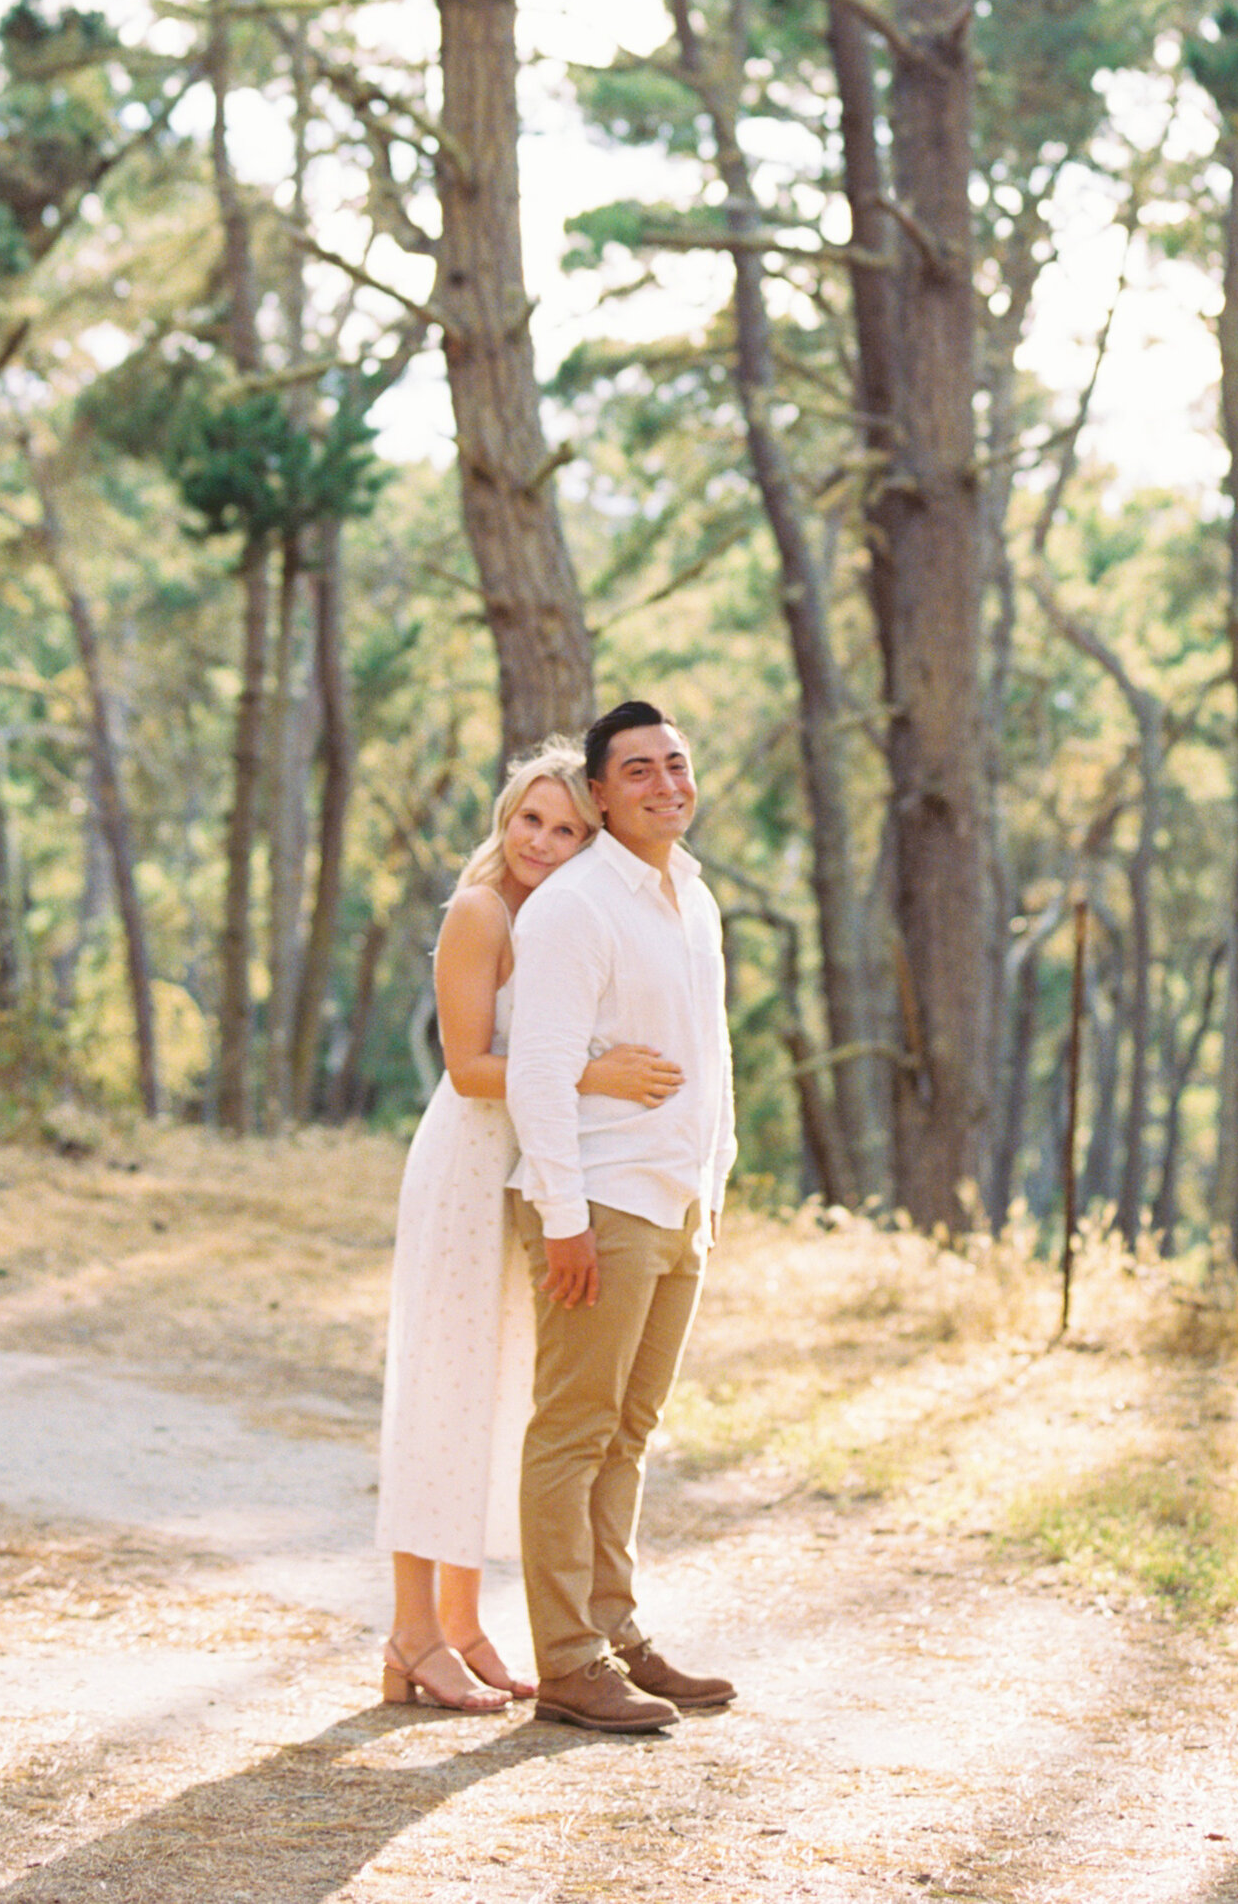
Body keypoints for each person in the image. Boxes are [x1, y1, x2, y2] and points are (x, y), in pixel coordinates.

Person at [376, 739, 685, 1714]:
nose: (544, 842)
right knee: (441, 1389)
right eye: (528, 821)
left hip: (524, 1166)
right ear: (503, 820)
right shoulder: (481, 911)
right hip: (466, 1160)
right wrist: (587, 1075)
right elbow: (467, 1064)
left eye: (564, 828)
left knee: (495, 1392)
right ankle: (410, 1632)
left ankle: (463, 1625)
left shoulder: (563, 918)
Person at [504, 698, 737, 1735]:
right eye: (636, 769)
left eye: (675, 763)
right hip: (597, 1197)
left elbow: (713, 1056)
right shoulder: (574, 905)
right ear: (600, 794)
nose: (663, 783)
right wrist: (562, 1217)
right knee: (574, 1429)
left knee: (629, 1431)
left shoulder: (691, 896)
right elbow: (541, 1074)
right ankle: (565, 1659)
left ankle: (616, 1631)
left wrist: (713, 1185)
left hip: (676, 1197)